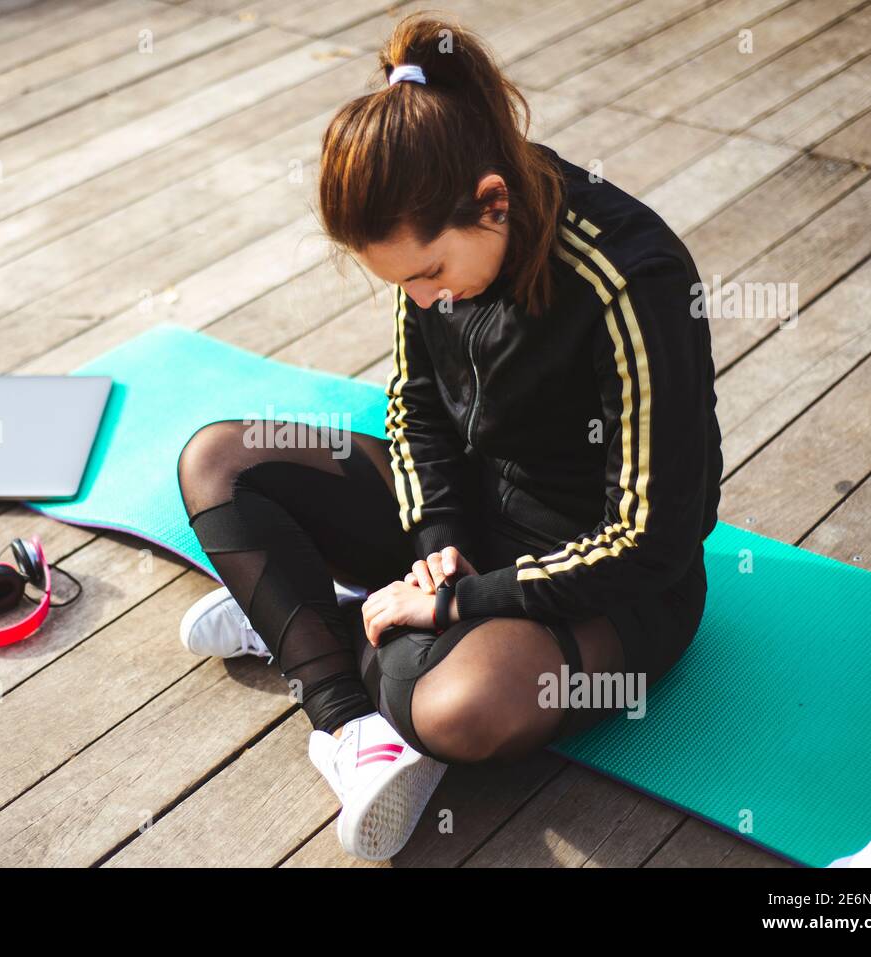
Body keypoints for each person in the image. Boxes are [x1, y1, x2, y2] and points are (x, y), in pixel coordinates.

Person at [175, 13, 722, 862]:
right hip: (469, 525)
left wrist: (455, 603)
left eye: (428, 273)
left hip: (606, 578)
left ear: (493, 202)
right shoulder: (428, 238)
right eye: (402, 283)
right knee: (218, 461)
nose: (424, 298)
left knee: (458, 707)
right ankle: (349, 726)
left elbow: (653, 539)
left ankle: (306, 618)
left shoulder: (632, 280)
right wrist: (439, 542)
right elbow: (414, 409)